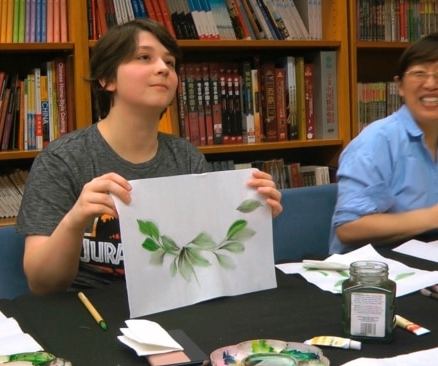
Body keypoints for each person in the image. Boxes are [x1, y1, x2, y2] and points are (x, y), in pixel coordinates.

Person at [16, 19, 282, 295]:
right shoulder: (62, 160)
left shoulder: (186, 158)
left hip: (173, 302)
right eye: (144, 57)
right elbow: (42, 284)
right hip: (90, 310)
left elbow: (205, 258)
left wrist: (252, 217)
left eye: (169, 63)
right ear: (107, 79)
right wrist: (75, 219)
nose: (162, 69)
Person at [329, 33, 438, 254]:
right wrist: (432, 217)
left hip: (431, 267)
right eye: (419, 73)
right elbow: (348, 227)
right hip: (372, 273)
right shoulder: (378, 141)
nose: (431, 83)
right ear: (400, 86)